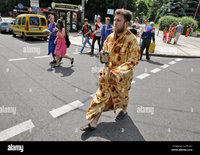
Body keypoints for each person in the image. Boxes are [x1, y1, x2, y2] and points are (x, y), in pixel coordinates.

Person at [80, 9, 140, 131]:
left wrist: (118, 72)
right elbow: (104, 53)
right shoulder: (110, 37)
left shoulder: (131, 40)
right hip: (107, 76)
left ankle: (124, 110)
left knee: (123, 96)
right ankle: (94, 122)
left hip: (122, 78)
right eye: (114, 20)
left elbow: (134, 60)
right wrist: (102, 56)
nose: (115, 23)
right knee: (102, 97)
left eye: (119, 20)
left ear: (126, 23)